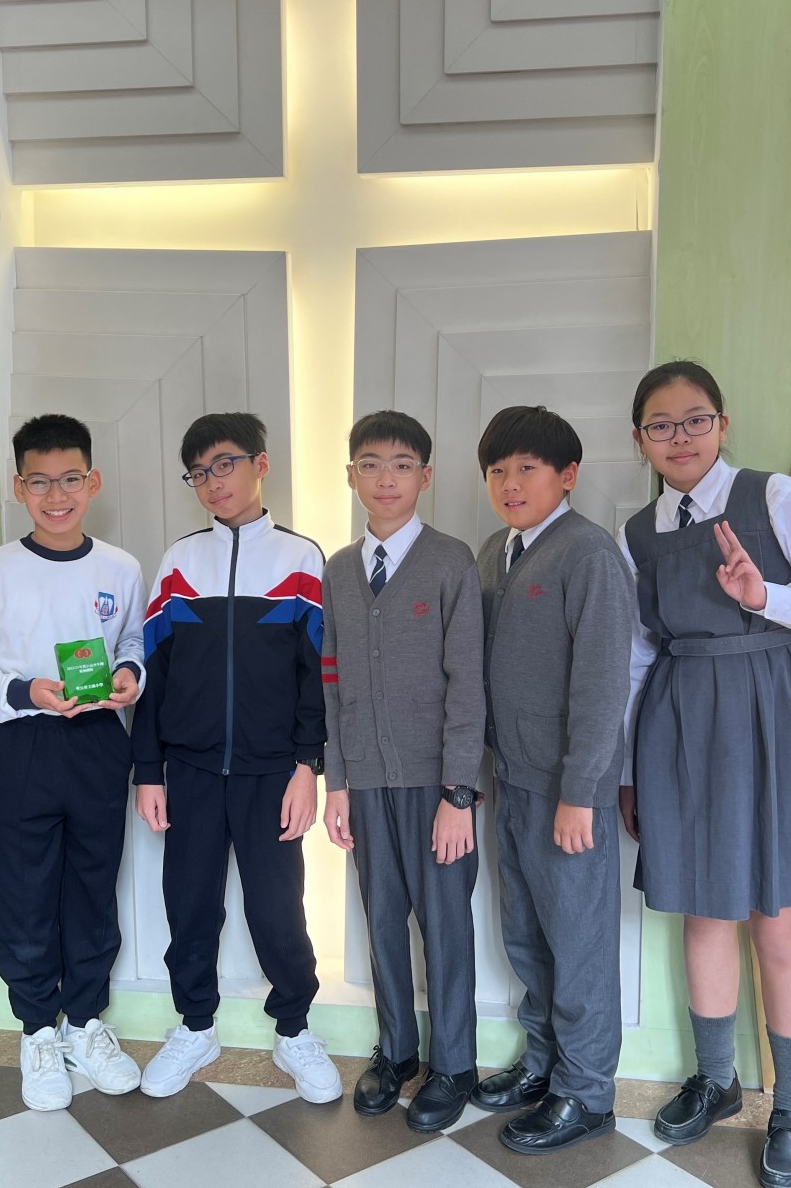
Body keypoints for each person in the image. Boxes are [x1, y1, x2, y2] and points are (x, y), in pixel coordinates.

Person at [620, 361, 791, 1188]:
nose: (680, 436)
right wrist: (629, 769)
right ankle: (716, 1079)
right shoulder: (639, 532)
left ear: (722, 424)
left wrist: (767, 597)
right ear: (641, 439)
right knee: (705, 913)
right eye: (661, 424)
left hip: (773, 718)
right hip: (683, 721)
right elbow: (637, 657)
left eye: (696, 419)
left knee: (780, 923)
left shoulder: (772, 496)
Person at [0, 414, 146, 1112]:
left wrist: (130, 675)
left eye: (71, 479)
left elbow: (134, 642)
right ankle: (36, 1030)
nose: (58, 496)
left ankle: (84, 1022)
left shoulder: (121, 567)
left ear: (94, 482)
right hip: (22, 743)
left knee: (92, 887)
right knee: (23, 892)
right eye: (41, 482)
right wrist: (25, 691)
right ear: (19, 486)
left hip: (100, 741)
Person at [131, 413, 341, 1104]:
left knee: (278, 910)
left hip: (272, 773)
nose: (212, 482)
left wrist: (307, 766)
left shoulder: (302, 561)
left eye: (225, 464)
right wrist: (149, 770)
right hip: (189, 772)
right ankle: (195, 1025)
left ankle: (294, 1029)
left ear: (260, 464)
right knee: (189, 905)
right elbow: (153, 676)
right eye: (199, 472)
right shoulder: (178, 563)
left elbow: (317, 678)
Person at [468, 405, 635, 1155]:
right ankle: (543, 1064)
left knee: (579, 943)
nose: (510, 483)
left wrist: (579, 791)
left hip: (570, 792)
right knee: (527, 935)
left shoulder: (588, 554)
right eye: (497, 470)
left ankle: (587, 1092)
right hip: (511, 779)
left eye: (527, 468)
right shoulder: (495, 553)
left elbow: (601, 684)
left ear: (567, 476)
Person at [320, 411, 486, 1133]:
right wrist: (337, 783)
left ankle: (454, 1064)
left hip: (435, 784)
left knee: (445, 922)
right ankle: (396, 1052)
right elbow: (330, 682)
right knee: (382, 917)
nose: (384, 478)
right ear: (351, 475)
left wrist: (458, 793)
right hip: (365, 781)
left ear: (426, 475)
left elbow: (468, 684)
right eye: (369, 463)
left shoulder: (451, 562)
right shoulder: (337, 570)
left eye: (401, 464)